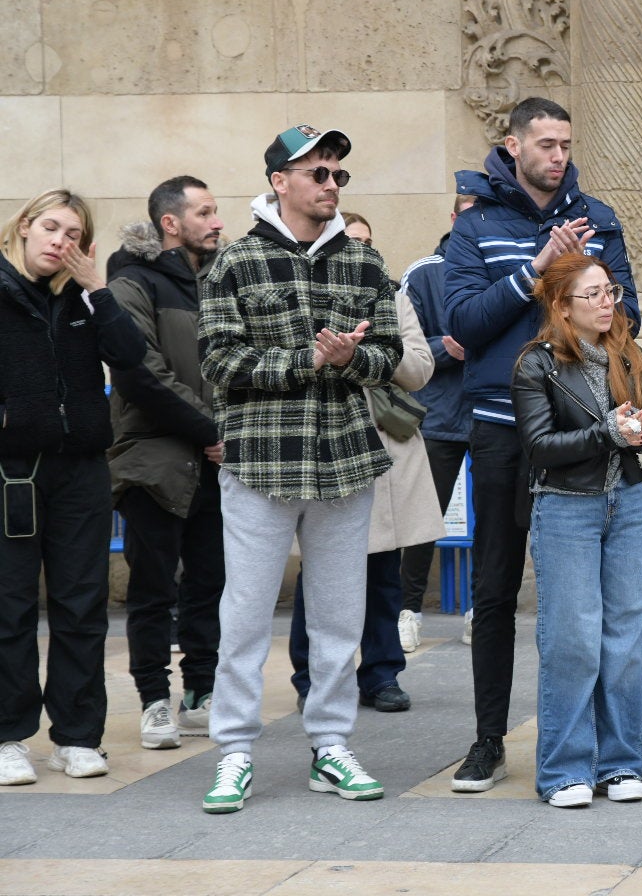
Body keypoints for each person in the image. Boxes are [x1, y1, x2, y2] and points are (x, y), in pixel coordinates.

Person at [197, 125, 401, 813]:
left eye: (338, 173)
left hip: (344, 460)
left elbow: (393, 357)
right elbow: (220, 363)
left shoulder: (365, 264)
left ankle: (331, 745)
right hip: (259, 461)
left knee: (341, 618)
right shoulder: (235, 263)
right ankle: (233, 752)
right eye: (317, 172)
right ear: (279, 181)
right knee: (245, 615)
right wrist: (304, 362)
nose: (331, 184)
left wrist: (352, 359)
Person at [444, 96, 638, 793]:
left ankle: (601, 743)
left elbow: (628, 315)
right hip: (500, 429)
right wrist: (535, 272)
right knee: (494, 589)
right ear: (513, 144)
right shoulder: (478, 227)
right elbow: (463, 322)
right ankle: (488, 739)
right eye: (545, 144)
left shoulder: (598, 220)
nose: (557, 156)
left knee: (592, 601)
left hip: (584, 430)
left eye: (565, 144)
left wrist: (573, 283)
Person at [0, 190, 145, 786]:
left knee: (82, 604)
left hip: (82, 468)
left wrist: (98, 289)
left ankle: (78, 736)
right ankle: (9, 736)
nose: (59, 241)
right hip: (12, 470)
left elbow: (131, 355)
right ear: (24, 227)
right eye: (50, 228)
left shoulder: (86, 300)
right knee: (9, 607)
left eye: (74, 235)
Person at [512, 254, 642, 807]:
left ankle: (621, 762)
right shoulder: (537, 364)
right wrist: (607, 433)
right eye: (594, 295)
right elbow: (539, 447)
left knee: (625, 639)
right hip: (565, 508)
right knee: (573, 640)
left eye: (611, 292)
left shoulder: (628, 351)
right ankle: (564, 770)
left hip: (626, 502)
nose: (607, 303)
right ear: (561, 305)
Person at [287, 214, 443, 714]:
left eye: (368, 244)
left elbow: (421, 369)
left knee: (382, 571)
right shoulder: (300, 293)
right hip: (322, 446)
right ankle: (311, 676)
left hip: (383, 450)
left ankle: (381, 673)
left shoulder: (394, 298)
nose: (361, 252)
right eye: (351, 243)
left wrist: (370, 352)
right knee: (321, 572)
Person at [106, 177, 228, 751]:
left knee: (209, 582)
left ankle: (201, 692)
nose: (217, 222)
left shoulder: (221, 277)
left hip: (216, 460)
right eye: (204, 212)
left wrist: (223, 433)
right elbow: (139, 372)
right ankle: (154, 699)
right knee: (153, 588)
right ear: (170, 223)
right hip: (152, 460)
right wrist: (211, 429)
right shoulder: (131, 277)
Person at [397, 195, 479, 653]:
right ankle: (408, 611)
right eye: (468, 217)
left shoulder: (506, 269)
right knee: (423, 522)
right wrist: (449, 348)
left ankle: (480, 611)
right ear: (453, 219)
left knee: (495, 524)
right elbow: (402, 346)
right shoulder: (424, 272)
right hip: (440, 418)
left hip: (493, 416)